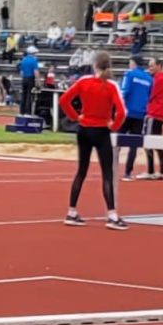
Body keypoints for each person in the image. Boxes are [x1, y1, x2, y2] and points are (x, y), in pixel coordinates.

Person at [58, 51, 128, 228]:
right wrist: (113, 125)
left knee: (81, 171)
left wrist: (76, 117)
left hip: (84, 129)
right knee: (107, 174)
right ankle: (112, 215)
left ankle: (71, 211)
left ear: (94, 64)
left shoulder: (83, 82)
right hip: (101, 130)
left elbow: (64, 100)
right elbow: (122, 111)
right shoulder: (111, 85)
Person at [117, 54, 154, 178]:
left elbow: (124, 91)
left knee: (117, 141)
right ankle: (128, 172)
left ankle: (112, 167)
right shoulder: (149, 79)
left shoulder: (130, 74)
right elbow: (149, 95)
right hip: (140, 114)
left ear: (133, 63)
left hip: (127, 112)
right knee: (134, 144)